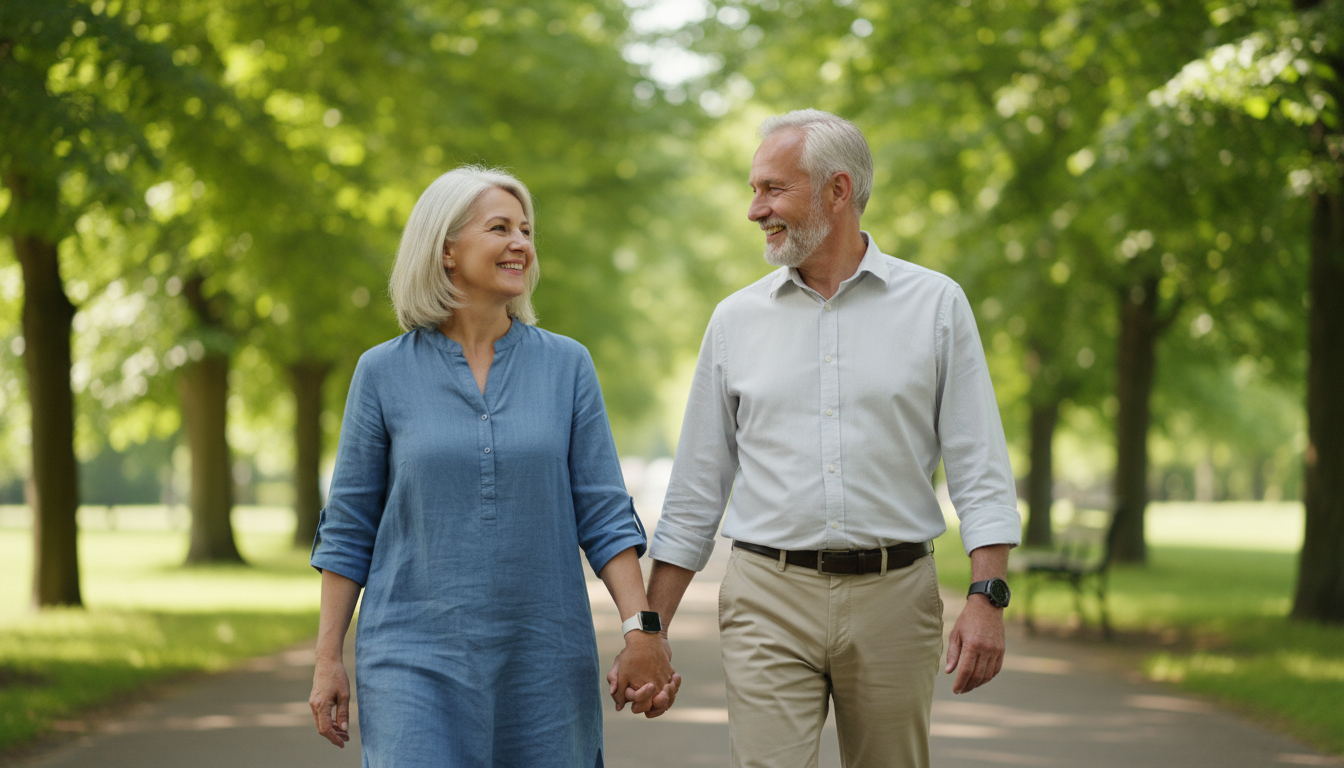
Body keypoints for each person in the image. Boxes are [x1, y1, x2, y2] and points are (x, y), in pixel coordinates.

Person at [608, 110, 1021, 767]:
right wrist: (648, 632)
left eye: (773, 189)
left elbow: (981, 469)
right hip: (766, 595)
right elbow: (694, 491)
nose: (755, 210)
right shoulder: (735, 319)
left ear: (837, 190)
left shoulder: (936, 306)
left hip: (896, 595)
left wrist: (987, 596)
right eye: (753, 189)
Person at [308, 165, 678, 767]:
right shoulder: (381, 373)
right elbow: (349, 527)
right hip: (412, 657)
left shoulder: (567, 366)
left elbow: (606, 515)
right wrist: (328, 659)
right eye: (500, 228)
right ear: (446, 250)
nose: (521, 244)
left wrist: (643, 630)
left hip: (545, 661)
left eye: (526, 231)